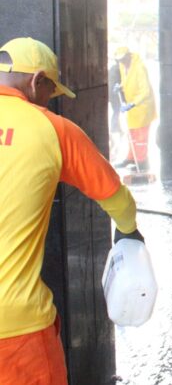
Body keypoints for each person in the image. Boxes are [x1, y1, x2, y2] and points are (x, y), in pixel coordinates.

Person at [0, 37, 145, 384]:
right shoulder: (53, 129)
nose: (50, 100)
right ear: (37, 80)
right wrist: (128, 231)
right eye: (50, 90)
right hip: (18, 330)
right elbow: (117, 198)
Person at [114, 46, 156, 171]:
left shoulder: (139, 67)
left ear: (128, 56)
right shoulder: (123, 66)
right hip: (132, 107)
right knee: (132, 133)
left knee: (141, 137)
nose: (121, 62)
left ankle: (142, 162)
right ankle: (131, 158)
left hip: (143, 107)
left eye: (123, 59)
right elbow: (126, 81)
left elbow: (145, 91)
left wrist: (133, 103)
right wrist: (120, 86)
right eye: (119, 60)